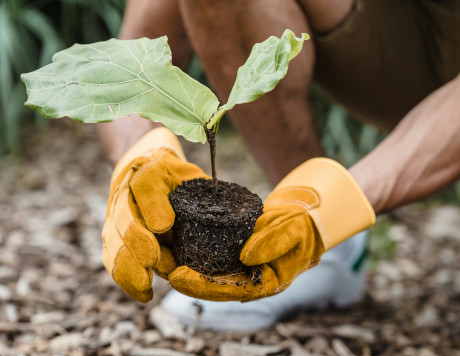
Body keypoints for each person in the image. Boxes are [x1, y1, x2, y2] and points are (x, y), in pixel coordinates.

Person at [99, 0, 460, 331]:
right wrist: (139, 156)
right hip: (397, 47)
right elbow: (132, 63)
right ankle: (325, 257)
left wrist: (331, 205)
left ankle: (320, 240)